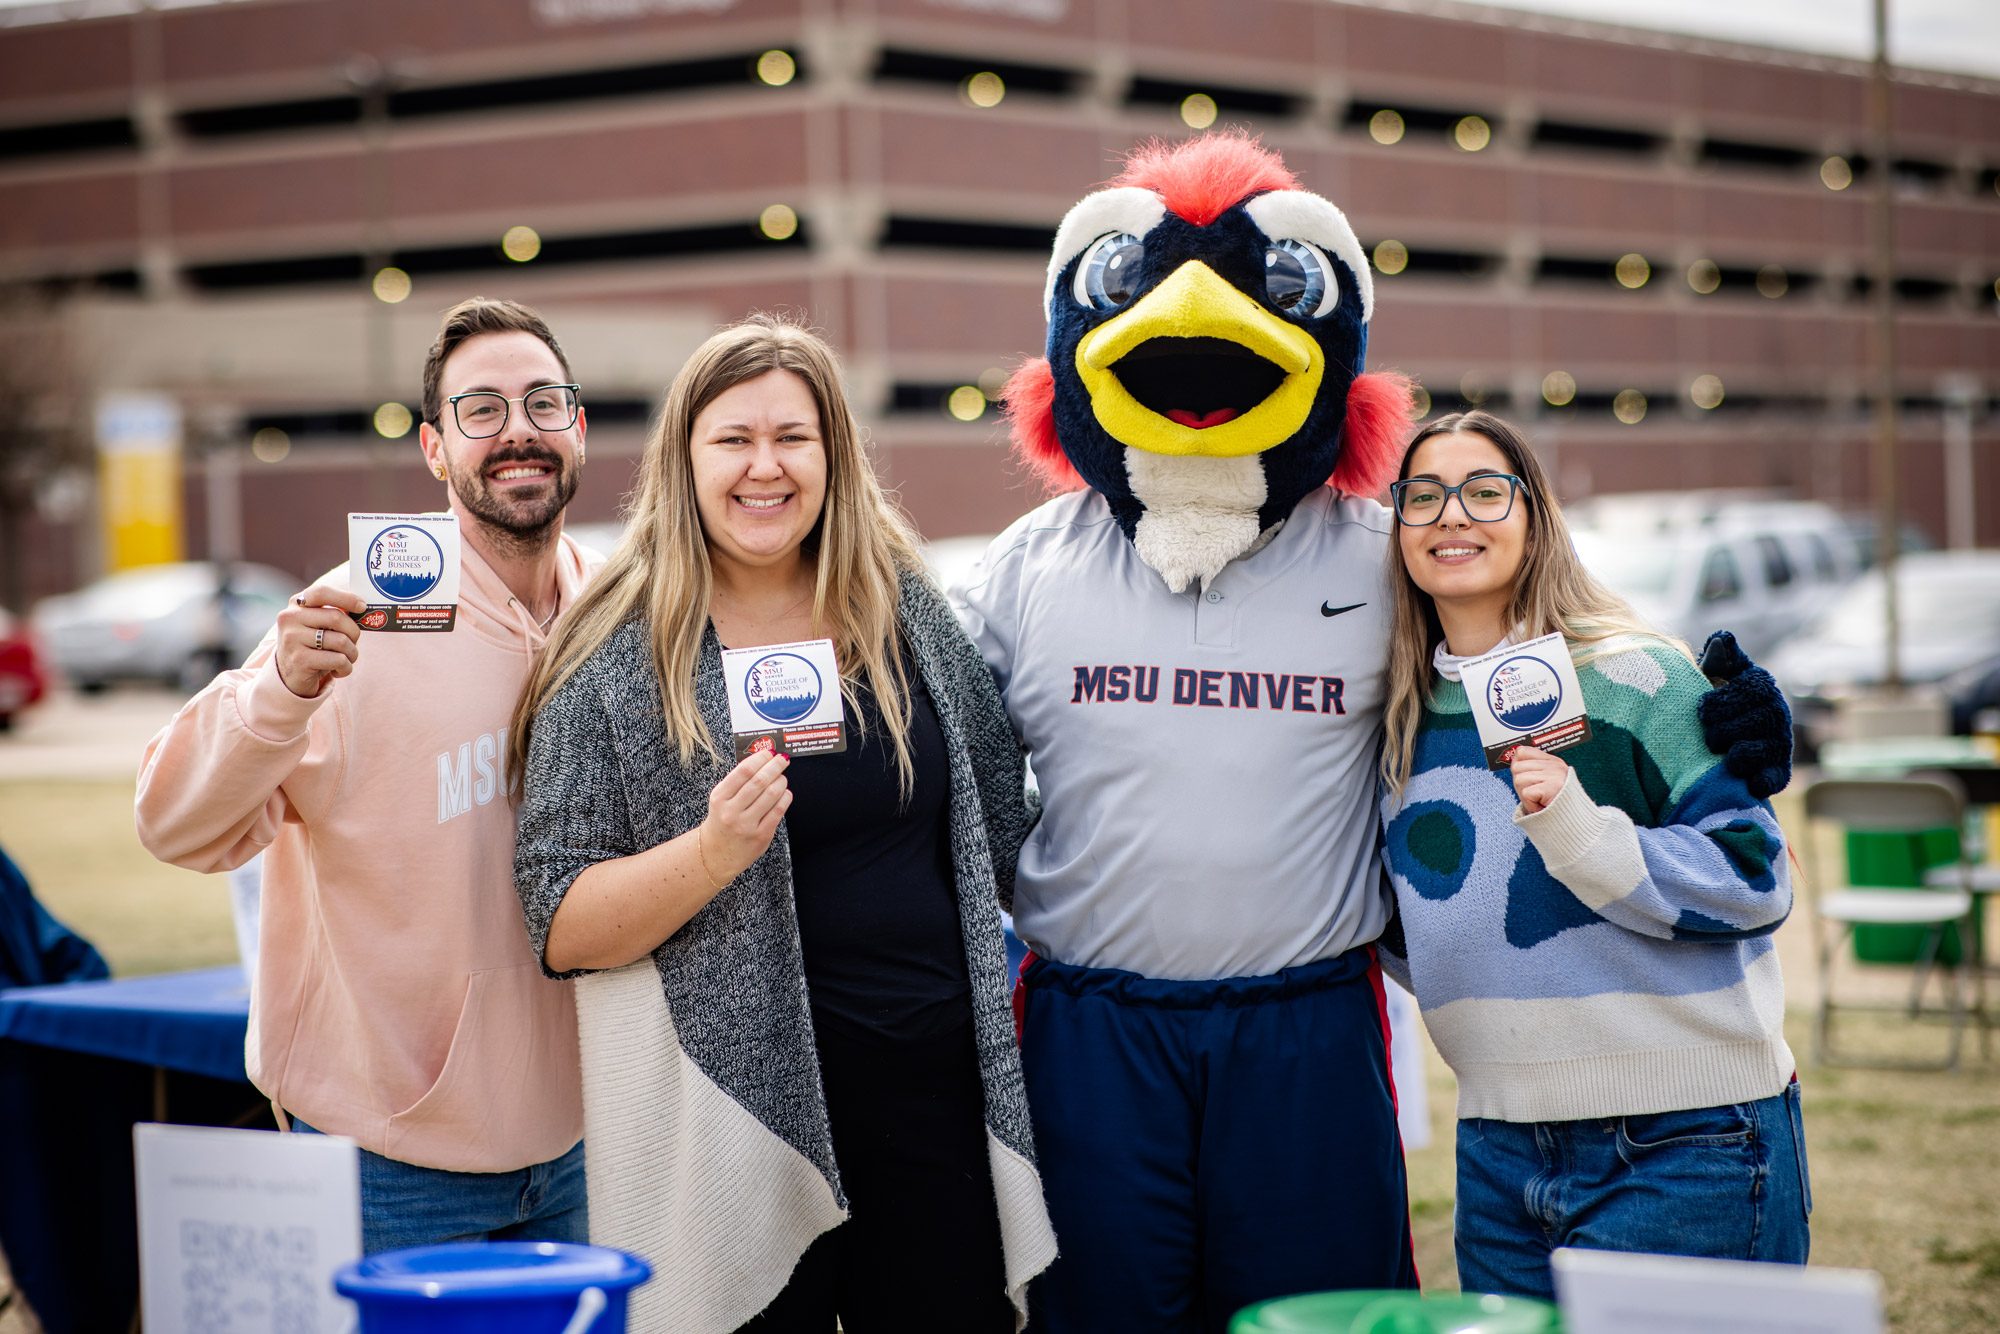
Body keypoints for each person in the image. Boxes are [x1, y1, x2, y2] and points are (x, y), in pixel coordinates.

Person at [509, 315, 1056, 1333]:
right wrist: (712, 850)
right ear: (684, 459)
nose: (764, 467)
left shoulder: (903, 612)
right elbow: (560, 923)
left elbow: (1005, 824)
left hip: (931, 1106)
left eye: (790, 438)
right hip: (734, 1121)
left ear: (832, 456)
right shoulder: (613, 658)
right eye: (733, 440)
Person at [136, 296, 598, 1252]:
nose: (518, 430)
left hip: (586, 1139)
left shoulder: (619, 616)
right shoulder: (351, 619)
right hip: (388, 1157)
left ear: (579, 427)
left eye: (542, 403)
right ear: (435, 449)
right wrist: (280, 694)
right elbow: (174, 826)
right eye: (481, 410)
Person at [1375, 410, 1809, 1300]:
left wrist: (1577, 828)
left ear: (1535, 518)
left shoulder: (1635, 672)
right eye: (1423, 497)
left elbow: (1756, 880)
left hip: (1685, 1137)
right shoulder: (1396, 722)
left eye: (1485, 492)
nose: (1452, 515)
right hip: (1498, 1142)